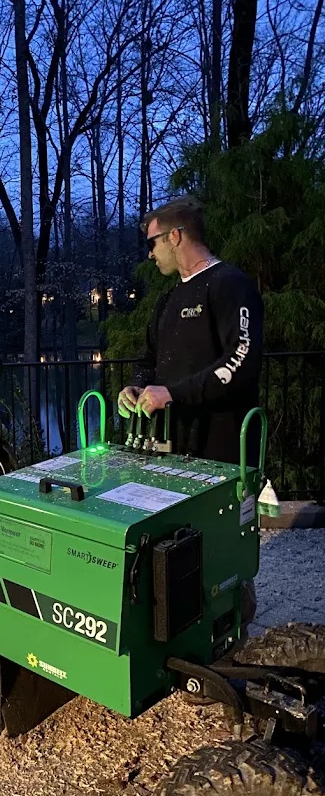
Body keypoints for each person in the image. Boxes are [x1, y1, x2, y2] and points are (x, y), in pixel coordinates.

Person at [117, 196, 264, 637]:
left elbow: (241, 361)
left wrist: (172, 393)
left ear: (176, 236)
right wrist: (138, 386)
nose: (151, 252)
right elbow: (149, 361)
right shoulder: (166, 301)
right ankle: (183, 624)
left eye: (154, 241)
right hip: (170, 444)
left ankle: (236, 619)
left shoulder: (230, 284)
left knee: (223, 537)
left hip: (221, 442)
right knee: (178, 539)